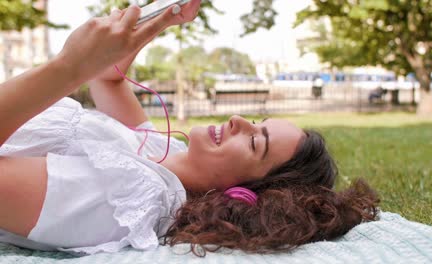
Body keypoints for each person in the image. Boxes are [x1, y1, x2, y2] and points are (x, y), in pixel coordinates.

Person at [0, 0, 379, 257]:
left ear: (241, 194)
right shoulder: (165, 155)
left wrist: (68, 68)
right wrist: (160, 19)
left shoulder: (130, 199)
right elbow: (109, 81)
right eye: (256, 122)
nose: (238, 121)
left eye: (253, 142)